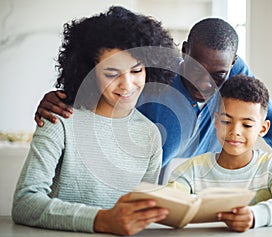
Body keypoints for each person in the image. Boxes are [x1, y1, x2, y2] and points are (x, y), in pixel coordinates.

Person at [33, 18, 272, 182]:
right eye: (195, 69)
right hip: (149, 165)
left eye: (218, 75)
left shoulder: (232, 70)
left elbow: (271, 121)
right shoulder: (157, 75)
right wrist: (64, 98)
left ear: (232, 64)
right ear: (184, 52)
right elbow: (105, 82)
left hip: (199, 160)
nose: (204, 83)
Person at [12, 6, 180, 235]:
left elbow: (140, 211)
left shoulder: (151, 134)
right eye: (112, 74)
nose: (128, 85)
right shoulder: (60, 119)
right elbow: (24, 203)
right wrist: (101, 220)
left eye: (136, 71)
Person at [167, 75, 272, 232]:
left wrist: (255, 215)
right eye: (226, 121)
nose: (235, 131)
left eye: (247, 125)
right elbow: (169, 204)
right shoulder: (191, 170)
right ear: (216, 121)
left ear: (263, 128)